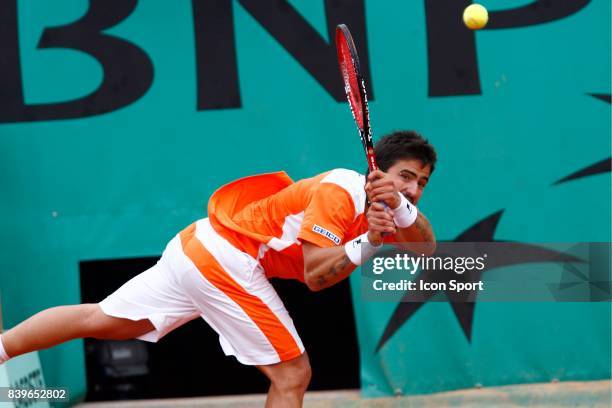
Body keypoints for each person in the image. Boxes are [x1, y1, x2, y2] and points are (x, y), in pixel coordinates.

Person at [0, 130, 437, 407]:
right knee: (293, 373)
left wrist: (399, 208)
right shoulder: (342, 189)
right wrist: (366, 243)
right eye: (404, 177)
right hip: (227, 258)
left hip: (197, 244)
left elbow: (426, 251)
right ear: (376, 168)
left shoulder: (387, 208)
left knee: (104, 320)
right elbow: (315, 276)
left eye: (421, 182)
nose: (413, 188)